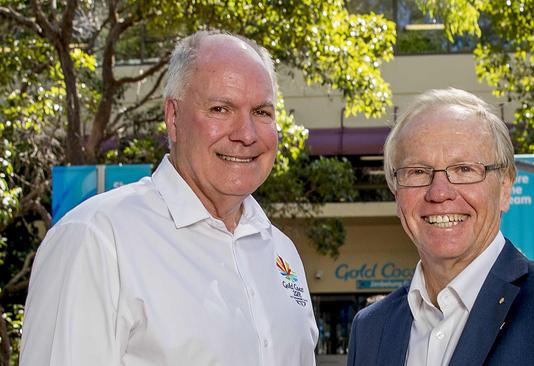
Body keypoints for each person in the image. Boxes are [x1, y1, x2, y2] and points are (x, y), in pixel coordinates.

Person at [20, 31, 318, 365]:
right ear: (173, 118)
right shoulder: (98, 238)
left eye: (262, 112)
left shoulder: (281, 252)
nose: (246, 134)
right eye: (221, 109)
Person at [346, 88, 534, 366]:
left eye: (464, 170)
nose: (439, 192)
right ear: (396, 193)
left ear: (506, 187)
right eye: (418, 172)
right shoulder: (371, 328)